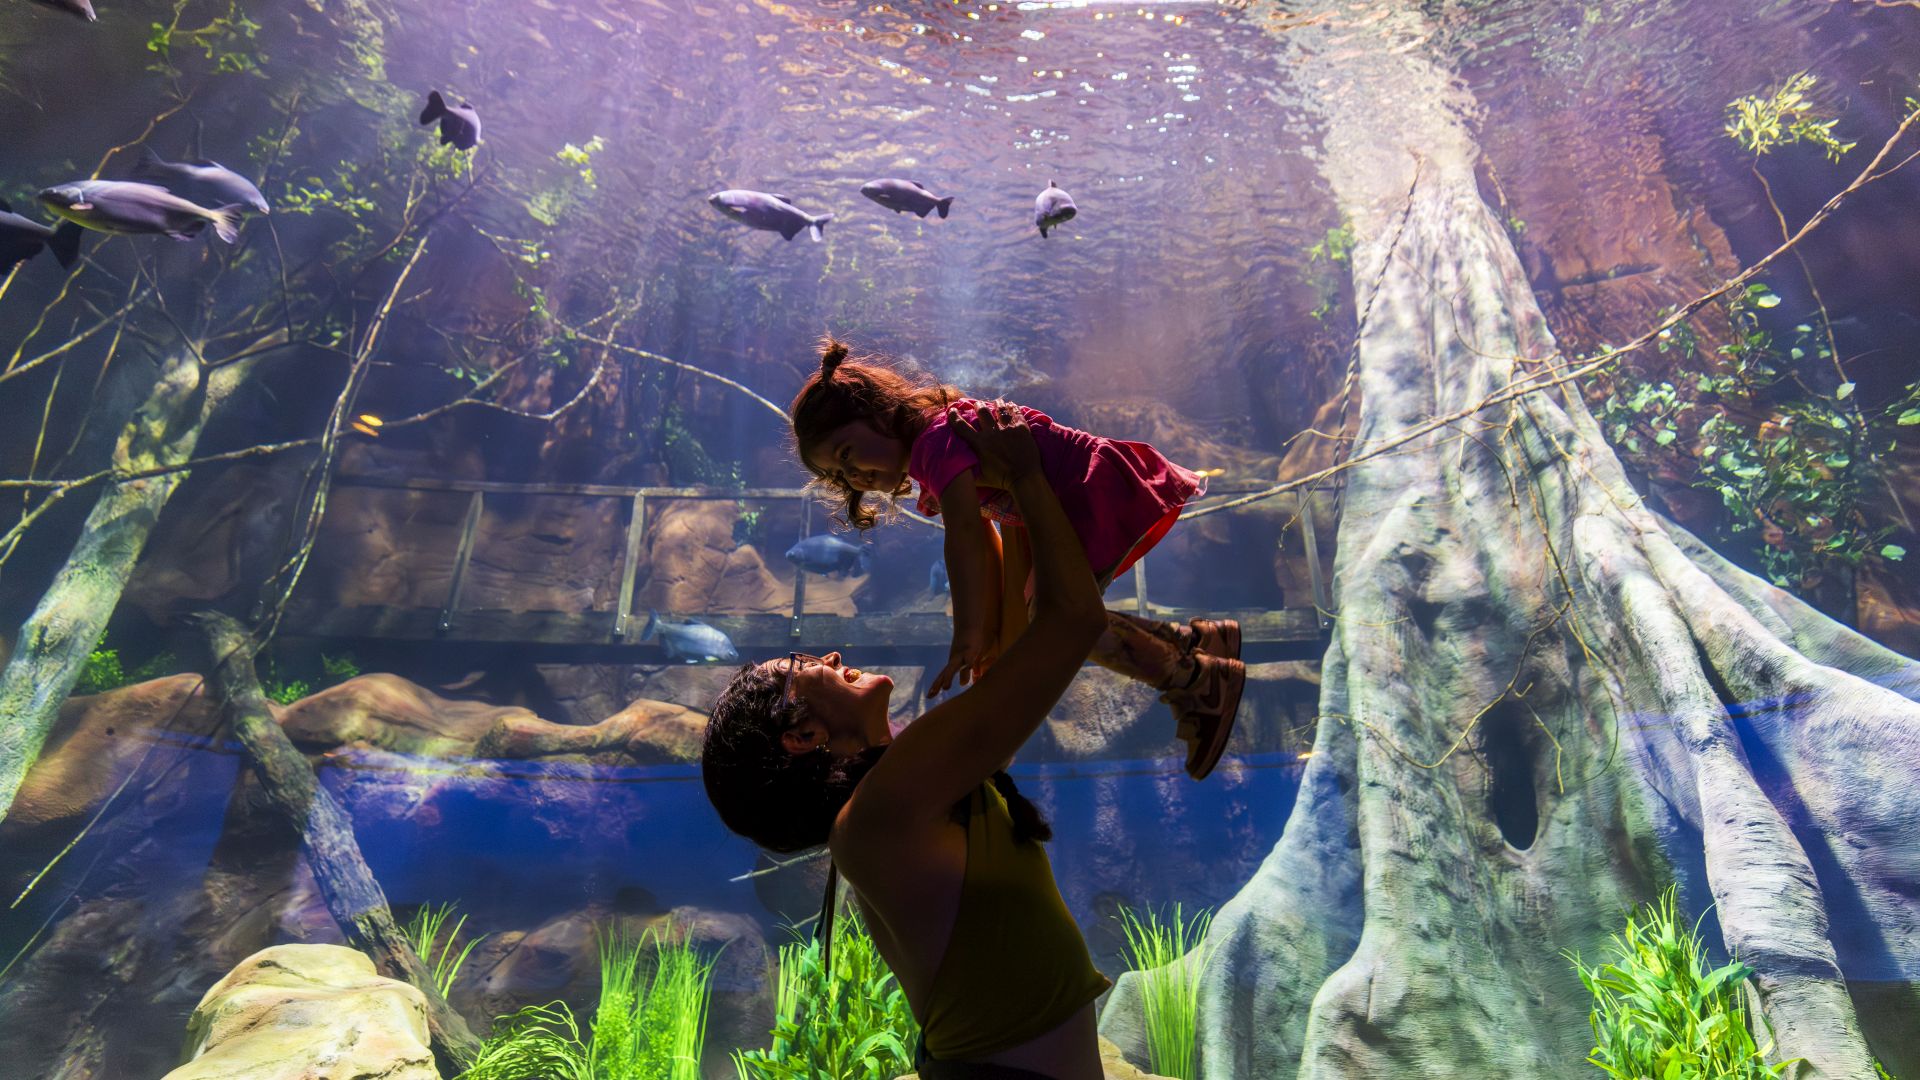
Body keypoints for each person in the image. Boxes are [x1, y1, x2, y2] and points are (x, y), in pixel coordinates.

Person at [703, 402, 1124, 1079]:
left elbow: (1033, 616)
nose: (833, 654)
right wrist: (1025, 479)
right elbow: (1073, 620)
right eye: (807, 669)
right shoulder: (884, 810)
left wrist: (1006, 493)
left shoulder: (910, 786)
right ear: (804, 735)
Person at [788, 337, 1242, 780]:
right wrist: (986, 631)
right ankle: (1188, 643)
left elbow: (965, 535)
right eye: (837, 472)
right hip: (1051, 507)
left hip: (1083, 494)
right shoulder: (932, 451)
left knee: (1060, 624)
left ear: (880, 412)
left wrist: (967, 634)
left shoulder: (935, 442)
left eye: (846, 453)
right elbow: (983, 533)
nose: (850, 474)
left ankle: (1194, 679)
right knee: (1048, 618)